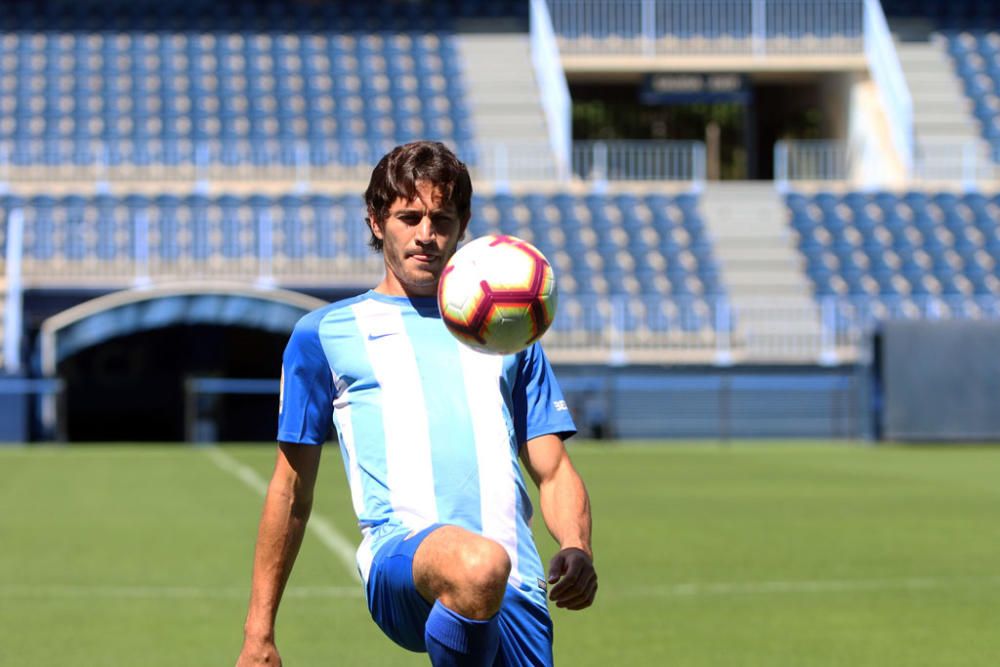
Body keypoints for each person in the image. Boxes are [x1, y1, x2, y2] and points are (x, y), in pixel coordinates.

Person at [236, 141, 597, 667]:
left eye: (441, 219)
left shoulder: (509, 333)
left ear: (463, 224)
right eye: (409, 217)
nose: (426, 235)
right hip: (399, 558)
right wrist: (258, 632)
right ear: (377, 221)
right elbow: (290, 489)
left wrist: (577, 544)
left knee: (487, 569)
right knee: (477, 563)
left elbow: (554, 469)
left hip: (515, 583)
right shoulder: (325, 335)